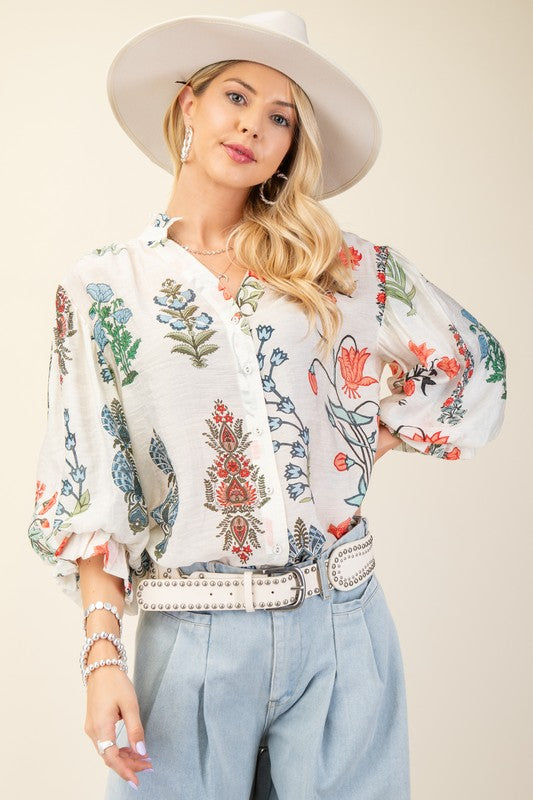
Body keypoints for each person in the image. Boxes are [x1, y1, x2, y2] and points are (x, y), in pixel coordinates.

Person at [27, 10, 507, 800]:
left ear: (291, 145)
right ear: (189, 105)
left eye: (279, 117)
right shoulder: (105, 289)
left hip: (343, 623)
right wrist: (101, 658)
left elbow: (470, 366)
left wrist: (370, 435)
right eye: (236, 97)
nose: (252, 125)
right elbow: (90, 490)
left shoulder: (338, 267)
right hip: (193, 636)